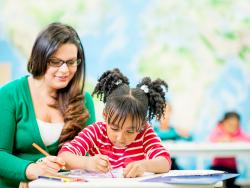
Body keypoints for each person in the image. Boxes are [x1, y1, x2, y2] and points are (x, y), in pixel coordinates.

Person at [0, 22, 96, 188]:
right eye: (56, 62)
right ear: (41, 58)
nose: (65, 70)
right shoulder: (10, 94)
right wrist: (32, 169)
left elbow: (87, 157)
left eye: (71, 62)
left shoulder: (84, 100)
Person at [58, 68, 171, 178]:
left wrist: (144, 165)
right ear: (105, 116)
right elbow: (64, 156)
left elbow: (165, 161)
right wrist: (88, 163)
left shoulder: (144, 132)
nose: (120, 138)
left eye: (130, 131)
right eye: (114, 128)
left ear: (141, 125)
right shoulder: (96, 131)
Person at [209, 111, 250, 188]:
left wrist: (233, 139)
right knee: (216, 183)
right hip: (218, 165)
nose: (233, 127)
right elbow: (211, 139)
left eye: (235, 125)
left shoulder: (238, 133)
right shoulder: (218, 130)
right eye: (230, 125)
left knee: (231, 183)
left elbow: (247, 139)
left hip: (232, 167)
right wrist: (220, 140)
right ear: (223, 123)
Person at [154, 104, 192, 170]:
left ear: (170, 113)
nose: (164, 114)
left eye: (166, 111)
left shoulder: (174, 131)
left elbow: (190, 138)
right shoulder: (153, 131)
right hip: (157, 164)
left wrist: (186, 134)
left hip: (172, 164)